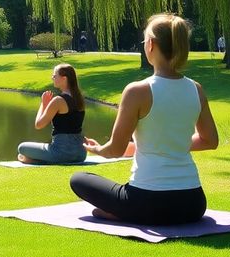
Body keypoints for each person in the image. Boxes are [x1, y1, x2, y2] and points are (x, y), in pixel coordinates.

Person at [71, 13, 218, 225]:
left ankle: (123, 212)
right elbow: (210, 141)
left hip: (148, 202)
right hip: (193, 204)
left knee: (79, 179)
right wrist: (173, 145)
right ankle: (123, 211)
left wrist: (97, 150)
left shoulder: (137, 91)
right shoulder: (196, 89)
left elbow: (115, 150)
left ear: (150, 45)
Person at [16, 64, 88, 164]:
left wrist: (43, 103)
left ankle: (35, 160)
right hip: (81, 154)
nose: (52, 78)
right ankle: (36, 160)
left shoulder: (58, 100)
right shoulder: (80, 98)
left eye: (55, 76)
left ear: (64, 78)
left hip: (61, 153)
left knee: (22, 147)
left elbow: (39, 124)